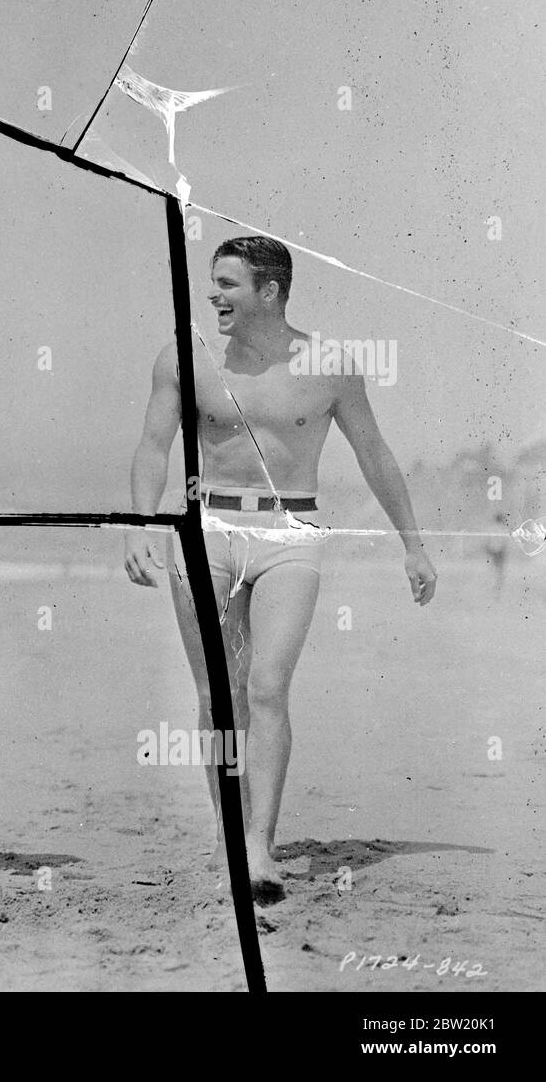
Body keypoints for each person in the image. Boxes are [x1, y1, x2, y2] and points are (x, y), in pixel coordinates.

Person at [124, 237, 437, 900]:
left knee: (266, 685)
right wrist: (142, 524)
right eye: (213, 284)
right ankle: (226, 837)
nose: (214, 297)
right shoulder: (187, 358)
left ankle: (259, 847)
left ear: (269, 291)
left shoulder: (328, 365)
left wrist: (413, 544)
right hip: (206, 530)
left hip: (290, 531)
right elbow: (153, 446)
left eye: (229, 285)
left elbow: (375, 455)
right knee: (218, 693)